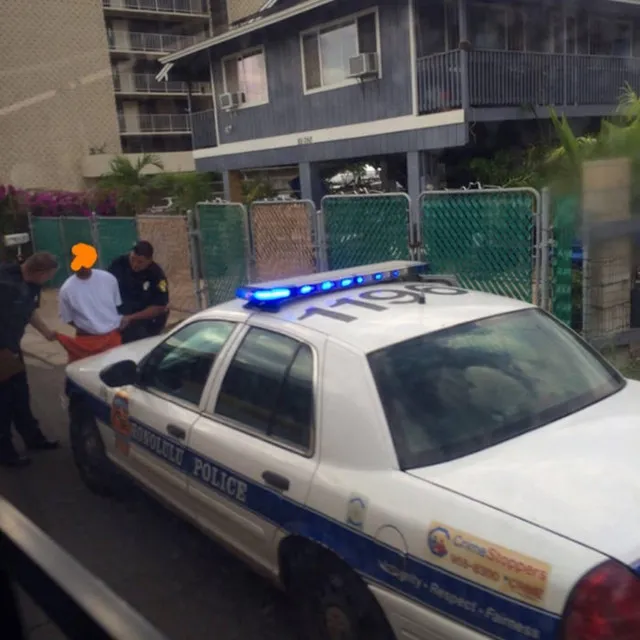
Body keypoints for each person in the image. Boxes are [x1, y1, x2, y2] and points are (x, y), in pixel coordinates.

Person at [0, 252, 60, 467]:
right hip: (2, 352)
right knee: (4, 403)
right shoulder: (5, 284)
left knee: (21, 397)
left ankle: (33, 438)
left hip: (13, 351)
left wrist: (45, 331)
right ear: (40, 272)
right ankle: (5, 453)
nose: (49, 280)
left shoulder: (30, 285)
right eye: (49, 276)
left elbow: (28, 311)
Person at [57, 266, 126, 363]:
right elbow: (67, 318)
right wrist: (89, 328)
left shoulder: (109, 279)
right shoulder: (66, 289)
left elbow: (116, 305)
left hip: (112, 338)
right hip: (86, 341)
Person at [108, 241, 169, 344]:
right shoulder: (119, 264)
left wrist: (131, 318)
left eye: (140, 262)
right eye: (132, 259)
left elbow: (159, 307)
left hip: (145, 323)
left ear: (149, 260)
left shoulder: (157, 275)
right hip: (119, 319)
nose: (135, 264)